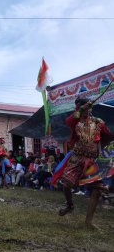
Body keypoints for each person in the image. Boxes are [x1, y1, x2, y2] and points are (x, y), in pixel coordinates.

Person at [52, 97, 112, 229]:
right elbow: (70, 120)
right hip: (77, 158)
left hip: (93, 161)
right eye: (82, 108)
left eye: (88, 107)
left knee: (97, 190)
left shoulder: (99, 123)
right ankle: (70, 205)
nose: (86, 110)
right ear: (78, 108)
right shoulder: (75, 121)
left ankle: (88, 222)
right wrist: (81, 109)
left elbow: (109, 135)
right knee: (66, 184)